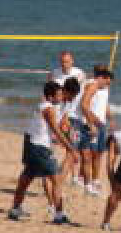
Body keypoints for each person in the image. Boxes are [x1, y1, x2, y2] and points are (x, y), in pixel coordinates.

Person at [8, 82, 78, 224]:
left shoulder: (45, 107)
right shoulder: (48, 109)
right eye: (58, 94)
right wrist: (70, 148)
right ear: (51, 97)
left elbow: (53, 128)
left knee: (25, 180)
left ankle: (15, 209)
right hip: (40, 148)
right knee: (56, 180)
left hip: (32, 145)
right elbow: (56, 130)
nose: (61, 96)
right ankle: (59, 215)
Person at [49, 52, 86, 185]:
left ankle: (74, 177)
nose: (65, 64)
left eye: (67, 62)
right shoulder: (55, 73)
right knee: (62, 146)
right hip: (60, 113)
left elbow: (74, 85)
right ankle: (55, 174)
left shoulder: (79, 73)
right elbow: (49, 91)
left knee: (72, 147)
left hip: (74, 114)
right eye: (62, 62)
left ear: (72, 61)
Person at [79, 67, 114, 195]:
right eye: (107, 82)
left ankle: (95, 180)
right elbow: (84, 105)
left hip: (101, 124)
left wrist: (111, 119)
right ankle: (86, 182)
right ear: (101, 77)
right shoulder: (91, 85)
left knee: (99, 153)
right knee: (88, 155)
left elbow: (105, 104)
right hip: (90, 124)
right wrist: (91, 123)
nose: (107, 85)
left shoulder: (103, 88)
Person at [57, 77, 85, 186]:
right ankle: (58, 183)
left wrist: (70, 131)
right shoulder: (56, 101)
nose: (73, 99)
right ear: (66, 91)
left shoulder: (67, 102)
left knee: (71, 155)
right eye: (73, 95)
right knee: (70, 155)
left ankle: (59, 182)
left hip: (68, 127)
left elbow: (65, 118)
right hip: (48, 135)